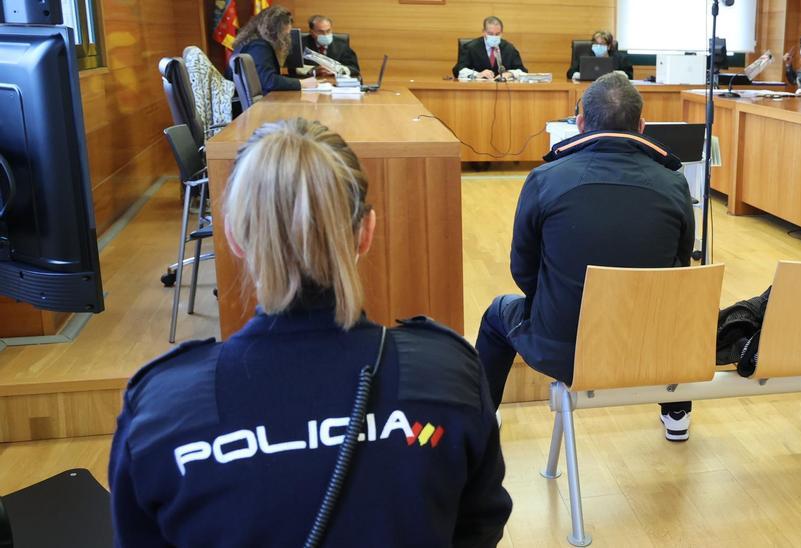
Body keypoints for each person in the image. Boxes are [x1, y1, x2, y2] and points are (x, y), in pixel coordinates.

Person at [109, 119, 512, 546]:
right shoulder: (448, 372)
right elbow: (480, 526)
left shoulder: (160, 410)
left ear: (235, 237)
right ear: (366, 232)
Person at [476, 73, 696, 442]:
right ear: (641, 126)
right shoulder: (674, 182)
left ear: (579, 124)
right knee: (669, 304)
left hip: (563, 349)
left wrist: (555, 297)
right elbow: (679, 267)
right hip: (651, 348)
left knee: (498, 313)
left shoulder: (545, 178)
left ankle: (480, 419)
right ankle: (677, 413)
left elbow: (523, 268)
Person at [229, 5, 316, 93]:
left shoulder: (253, 41)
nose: (285, 39)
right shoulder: (258, 46)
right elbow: (268, 81)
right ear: (274, 30)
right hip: (250, 106)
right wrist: (301, 83)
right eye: (284, 35)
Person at [453, 16, 528, 80]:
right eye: (490, 34)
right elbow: (458, 71)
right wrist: (478, 74)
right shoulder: (470, 47)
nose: (494, 37)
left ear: (501, 33)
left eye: (497, 34)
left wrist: (510, 73)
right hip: (477, 91)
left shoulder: (509, 48)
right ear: (484, 32)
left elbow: (523, 71)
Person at [568, 30, 633, 80]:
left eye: (602, 44)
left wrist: (616, 74)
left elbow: (630, 76)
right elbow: (570, 73)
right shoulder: (584, 58)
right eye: (596, 43)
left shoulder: (622, 58)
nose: (598, 46)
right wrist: (582, 75)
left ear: (609, 46)